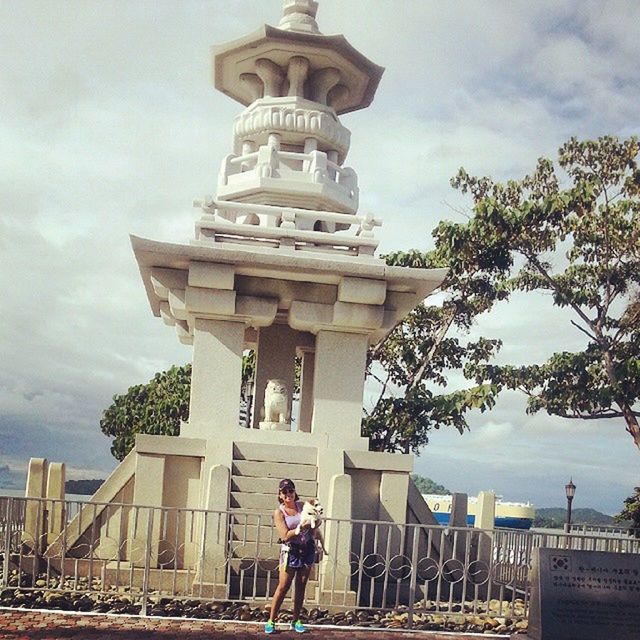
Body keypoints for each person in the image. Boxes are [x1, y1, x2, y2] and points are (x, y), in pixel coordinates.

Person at [264, 478, 315, 634]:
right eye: (284, 492)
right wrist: (302, 527)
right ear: (280, 495)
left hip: (307, 549)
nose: (288, 494)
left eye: (290, 491)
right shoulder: (279, 512)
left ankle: (296, 620)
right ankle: (272, 620)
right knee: (283, 586)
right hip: (291, 550)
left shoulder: (302, 507)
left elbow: (314, 521)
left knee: (301, 586)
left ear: (295, 492)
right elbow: (285, 535)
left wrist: (314, 525)